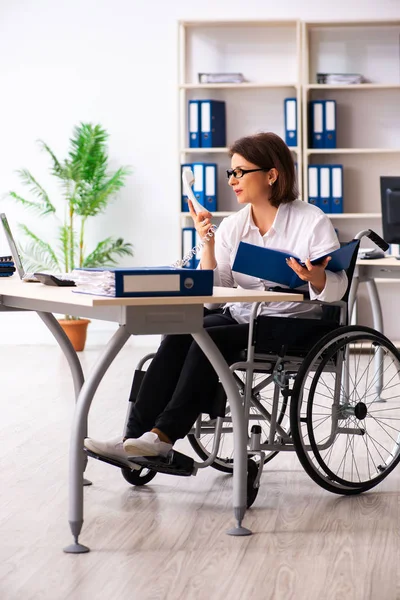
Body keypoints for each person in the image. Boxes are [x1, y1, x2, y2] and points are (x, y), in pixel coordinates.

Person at [84, 132, 347, 465]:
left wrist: (315, 277)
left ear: (271, 174)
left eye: (240, 172)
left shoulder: (310, 220)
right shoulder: (234, 226)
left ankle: (163, 437)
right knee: (185, 327)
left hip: (292, 323)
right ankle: (132, 437)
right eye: (231, 173)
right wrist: (206, 243)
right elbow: (214, 298)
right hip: (242, 318)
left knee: (209, 335)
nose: (232, 180)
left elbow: (338, 287)